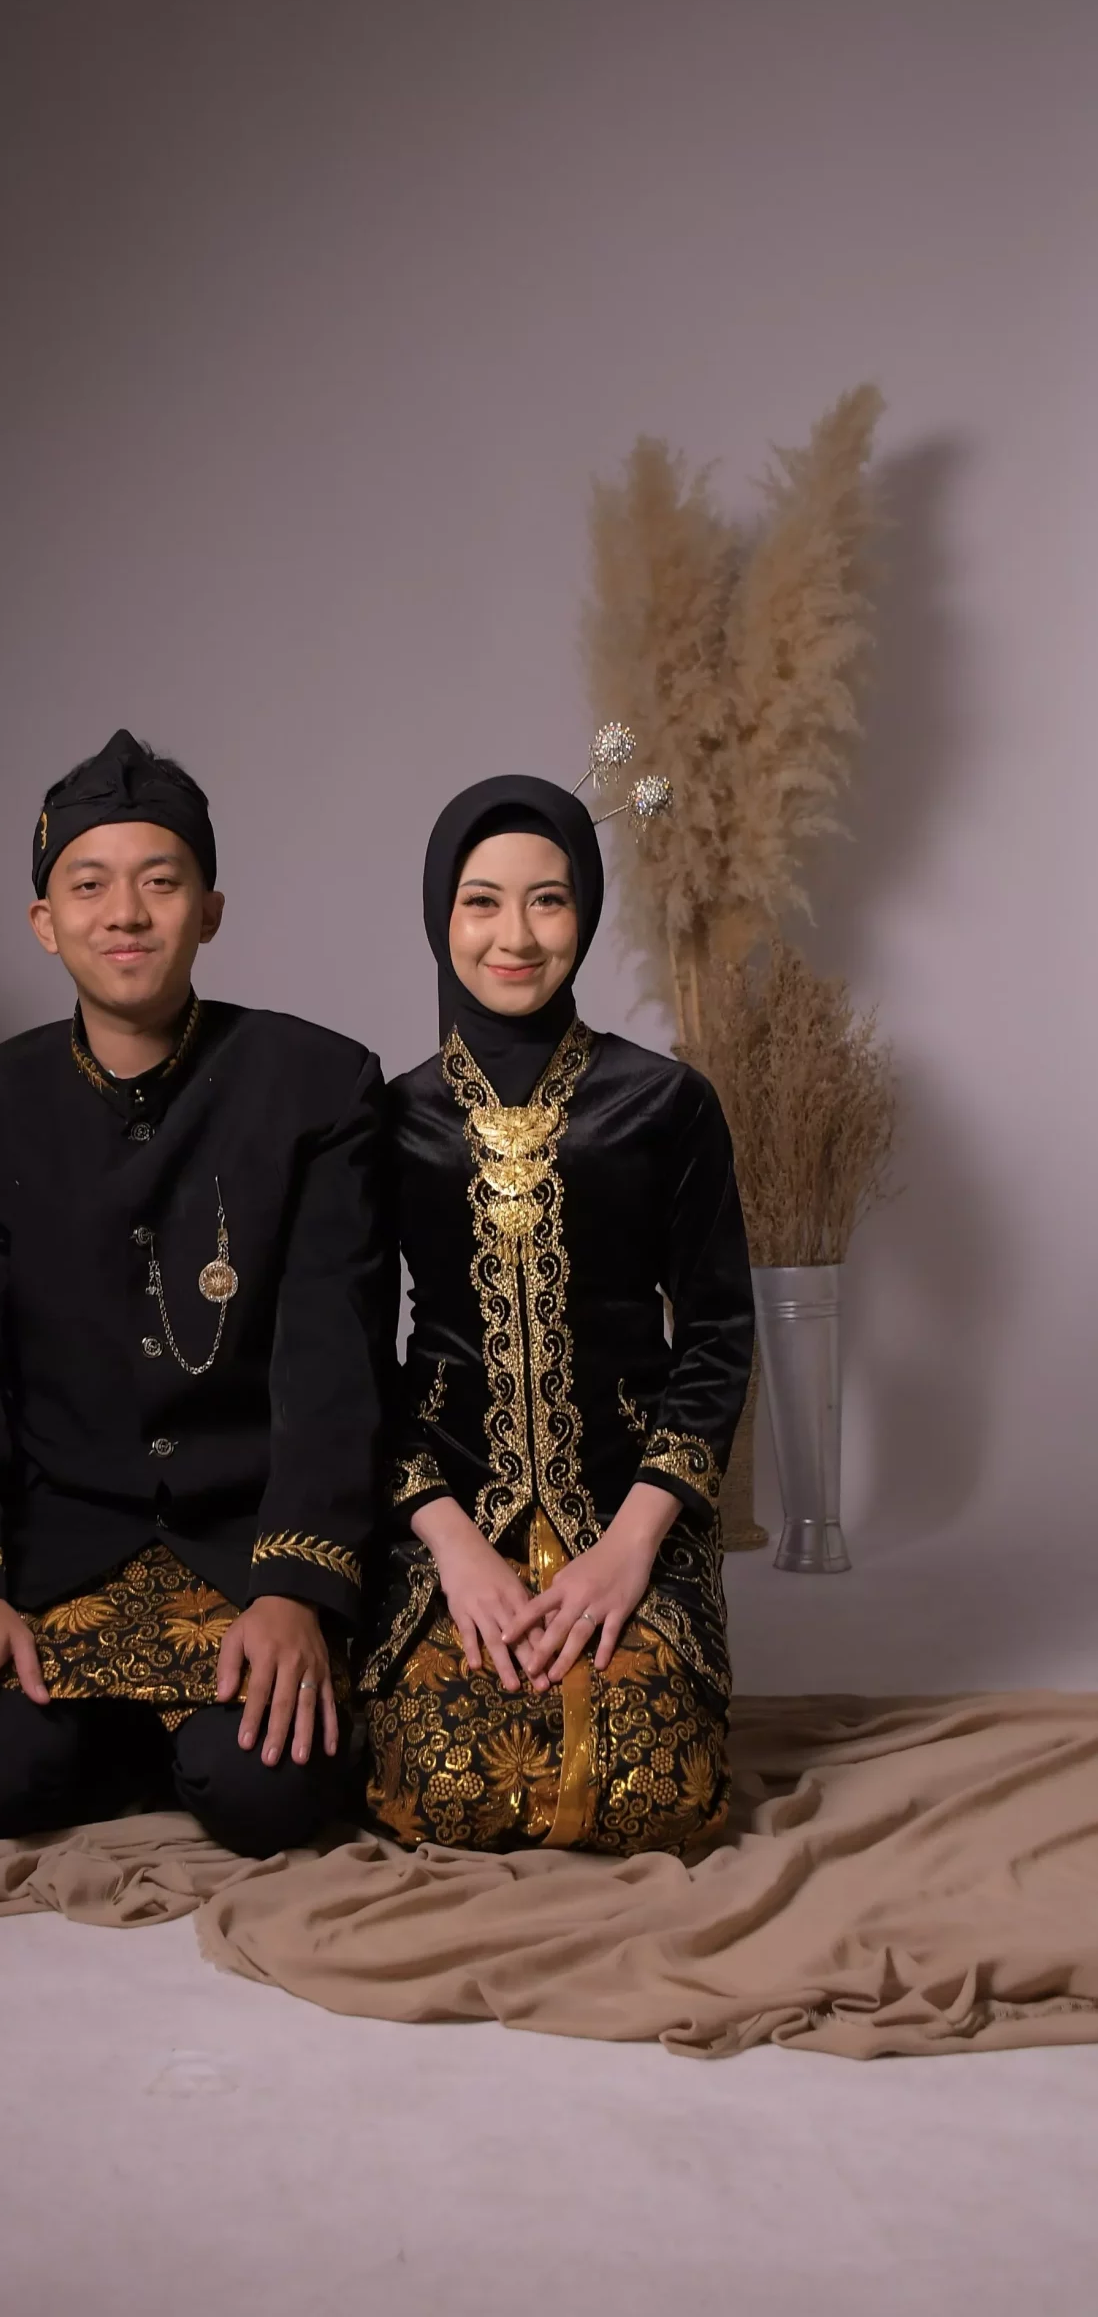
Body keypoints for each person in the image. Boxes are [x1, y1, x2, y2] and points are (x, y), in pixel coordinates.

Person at [0, 729, 390, 1859]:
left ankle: (176, 1741)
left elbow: (337, 1358)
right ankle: (145, 1741)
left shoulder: (318, 1087)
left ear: (208, 912)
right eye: (89, 885)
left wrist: (295, 1589)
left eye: (160, 883)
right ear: (44, 921)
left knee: (263, 1798)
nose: (125, 913)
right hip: (64, 1542)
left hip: (250, 1540)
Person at [360, 773, 753, 1855]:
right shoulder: (389, 1121)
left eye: (549, 900)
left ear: (586, 908)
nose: (516, 937)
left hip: (632, 1508)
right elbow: (351, 1355)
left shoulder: (665, 1103)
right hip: (446, 1513)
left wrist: (631, 1544)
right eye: (481, 902)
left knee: (653, 1790)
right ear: (438, 914)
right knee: (448, 1785)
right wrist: (449, 1545)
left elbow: (717, 1333)